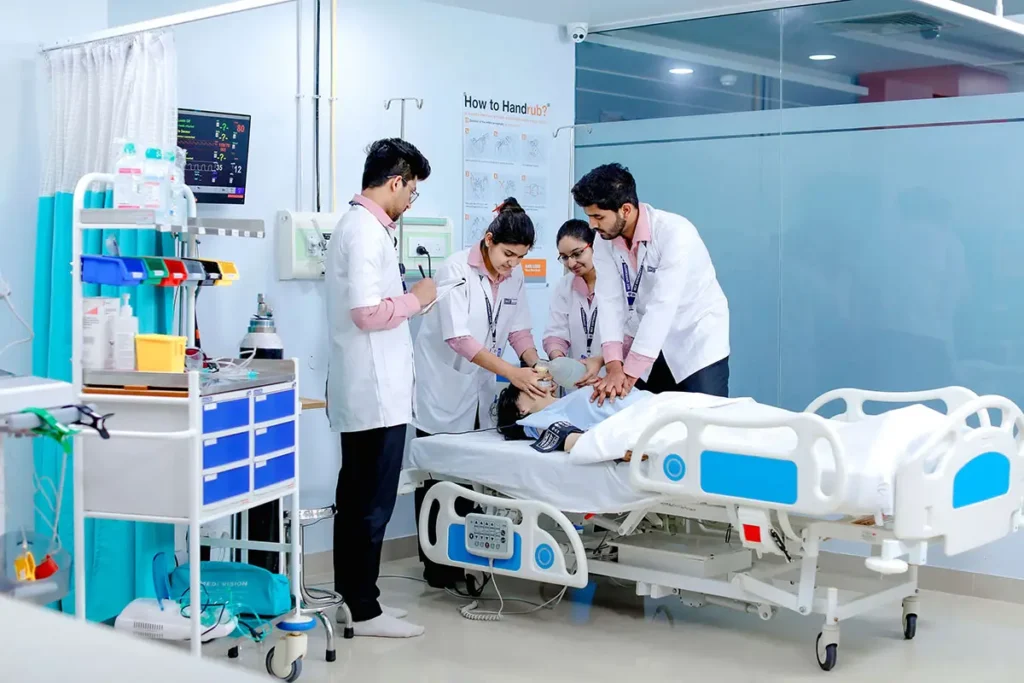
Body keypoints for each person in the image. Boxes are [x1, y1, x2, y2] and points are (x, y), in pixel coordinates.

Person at [325, 138, 434, 639]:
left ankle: (354, 601)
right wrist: (417, 299)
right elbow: (367, 314)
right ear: (395, 182)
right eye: (411, 191)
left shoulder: (361, 227)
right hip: (374, 393)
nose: (410, 200)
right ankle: (363, 610)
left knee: (359, 500)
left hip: (370, 389)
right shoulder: (366, 232)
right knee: (370, 504)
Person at [413, 197, 547, 588]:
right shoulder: (456, 269)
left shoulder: (513, 277)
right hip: (444, 385)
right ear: (489, 241)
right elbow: (458, 338)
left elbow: (518, 330)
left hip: (480, 387)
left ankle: (466, 557)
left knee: (471, 474)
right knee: (439, 476)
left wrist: (535, 364)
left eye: (520, 257)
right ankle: (438, 567)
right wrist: (513, 373)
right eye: (508, 254)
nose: (512, 263)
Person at [571, 163, 730, 402]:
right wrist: (614, 365)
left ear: (625, 209)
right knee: (647, 416)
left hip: (693, 338)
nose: (592, 224)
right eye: (589, 216)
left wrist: (628, 374)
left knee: (704, 416)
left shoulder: (675, 233)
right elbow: (609, 301)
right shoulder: (604, 240)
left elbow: (662, 305)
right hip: (647, 340)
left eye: (598, 216)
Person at [542, 219, 604, 389]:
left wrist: (601, 359)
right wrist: (559, 362)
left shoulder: (616, 283)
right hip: (576, 380)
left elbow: (629, 335)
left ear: (594, 246)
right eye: (564, 257)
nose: (571, 263)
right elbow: (556, 332)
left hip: (611, 378)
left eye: (577, 254)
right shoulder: (564, 286)